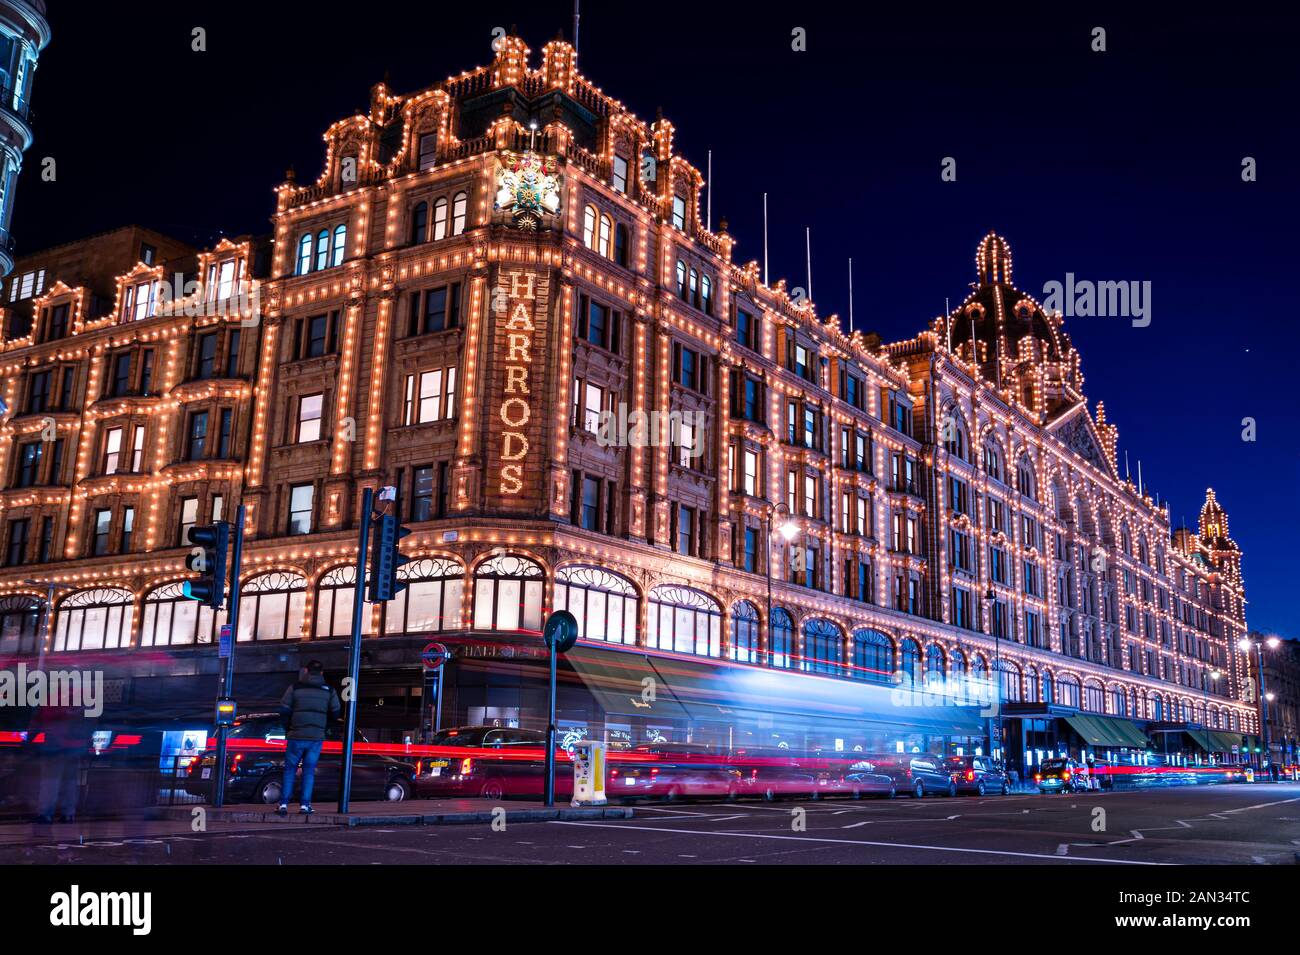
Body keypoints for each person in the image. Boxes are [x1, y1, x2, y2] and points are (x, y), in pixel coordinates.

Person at [277, 661, 340, 815]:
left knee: (290, 770)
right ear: (322, 673)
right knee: (309, 771)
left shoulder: (295, 688)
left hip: (296, 735)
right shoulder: (329, 690)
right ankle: (305, 805)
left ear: (306, 670)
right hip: (316, 737)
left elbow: (284, 710)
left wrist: (288, 729)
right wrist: (325, 728)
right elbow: (336, 712)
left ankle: (283, 804)